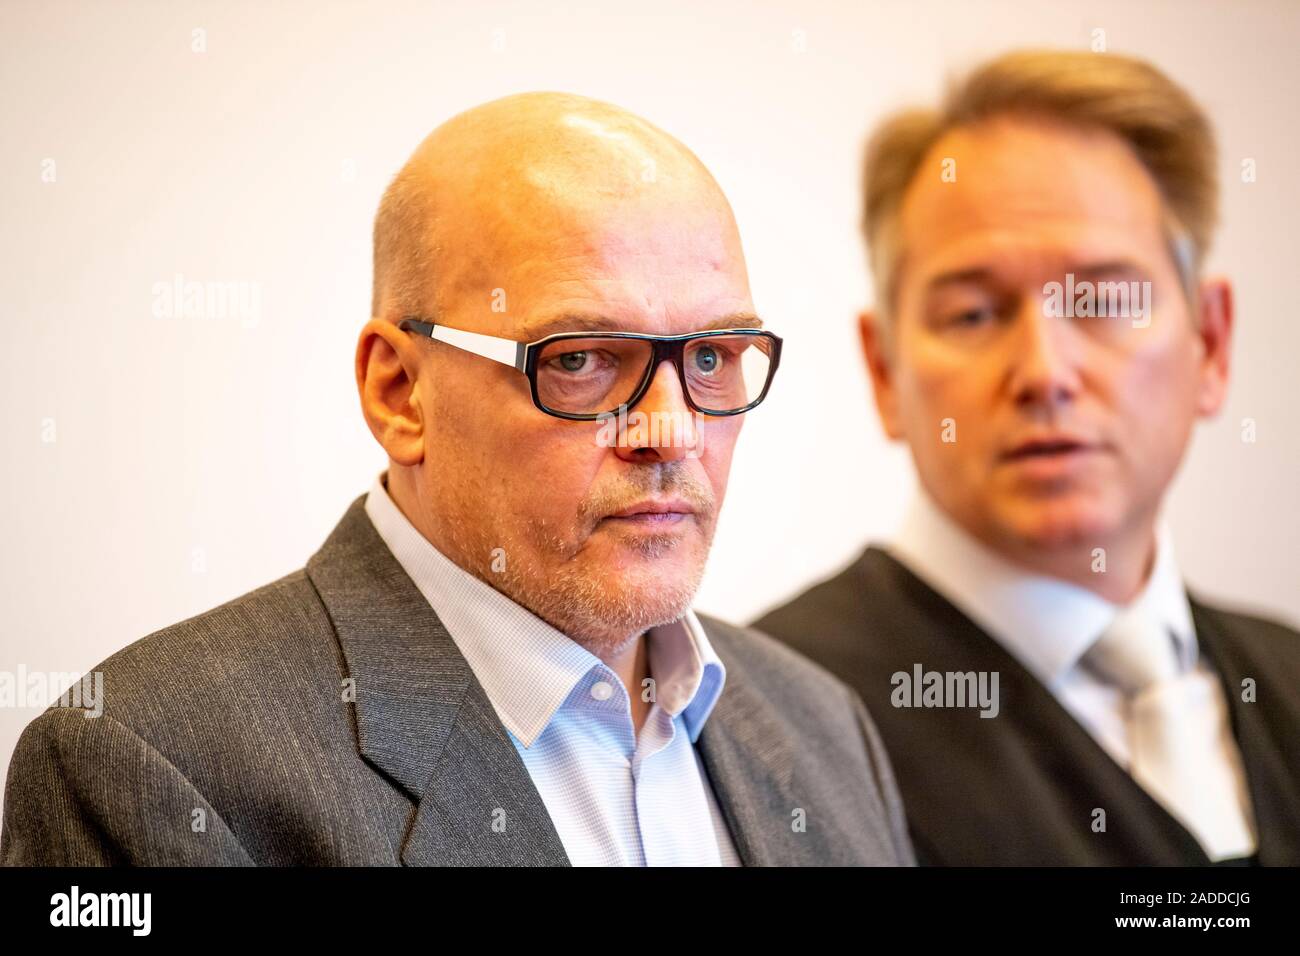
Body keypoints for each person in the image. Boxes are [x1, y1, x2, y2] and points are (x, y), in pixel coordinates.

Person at [2, 91, 913, 867]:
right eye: (583, 359)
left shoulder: (824, 727)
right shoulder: (151, 764)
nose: (670, 431)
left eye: (712, 356)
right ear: (399, 391)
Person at [755, 50, 1300, 865]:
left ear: (1212, 344)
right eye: (973, 314)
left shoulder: (1286, 673)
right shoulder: (774, 728)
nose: (1045, 372)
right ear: (883, 371)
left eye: (1106, 302)